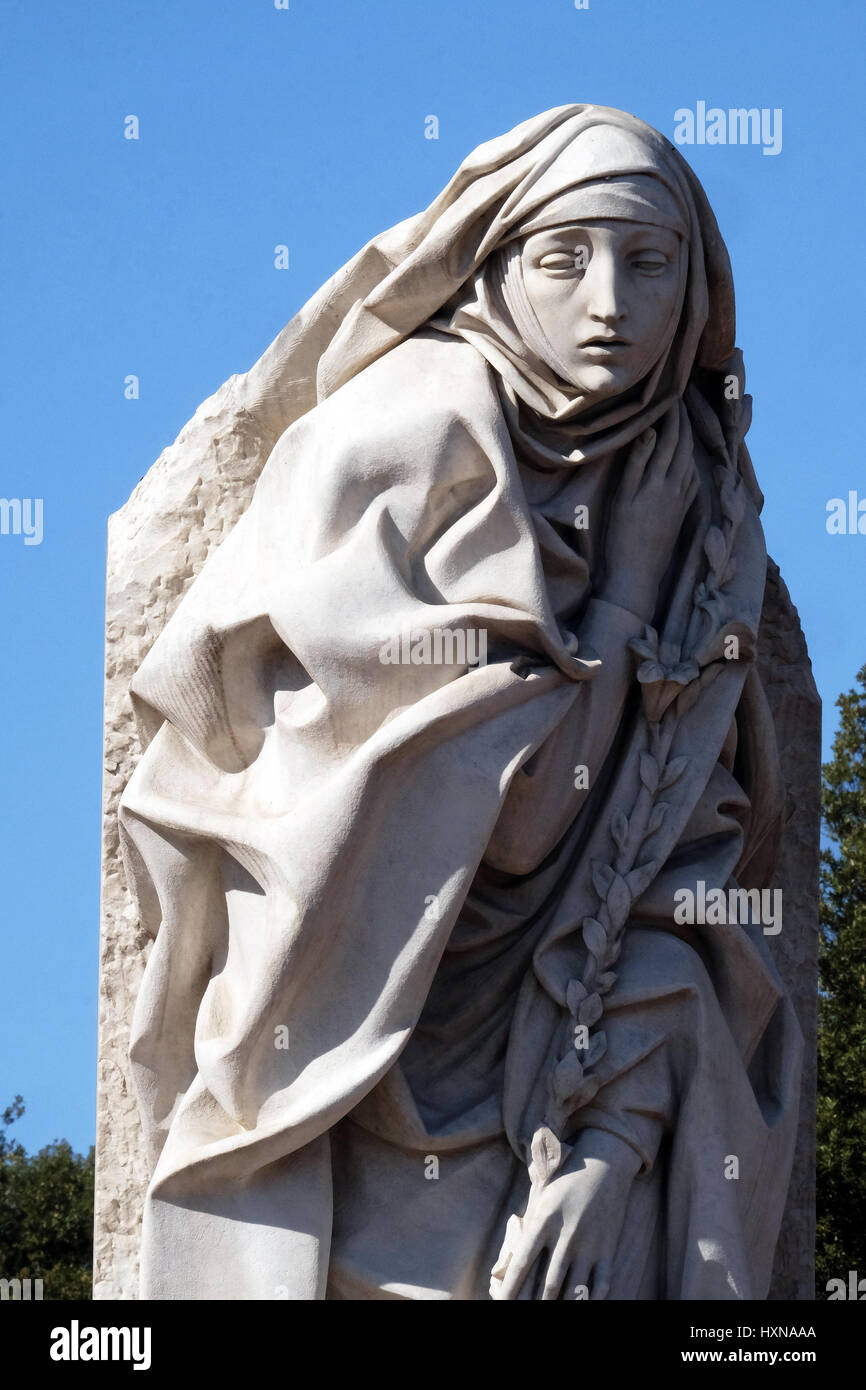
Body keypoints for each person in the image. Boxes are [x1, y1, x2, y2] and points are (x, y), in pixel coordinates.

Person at [119, 104, 802, 1300]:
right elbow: (506, 812)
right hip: (347, 1050)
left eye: (649, 265)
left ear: (694, 287)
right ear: (494, 264)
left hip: (574, 1072)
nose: (608, 306)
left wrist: (611, 1137)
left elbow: (681, 862)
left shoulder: (693, 491)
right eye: (565, 259)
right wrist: (624, 596)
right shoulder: (409, 436)